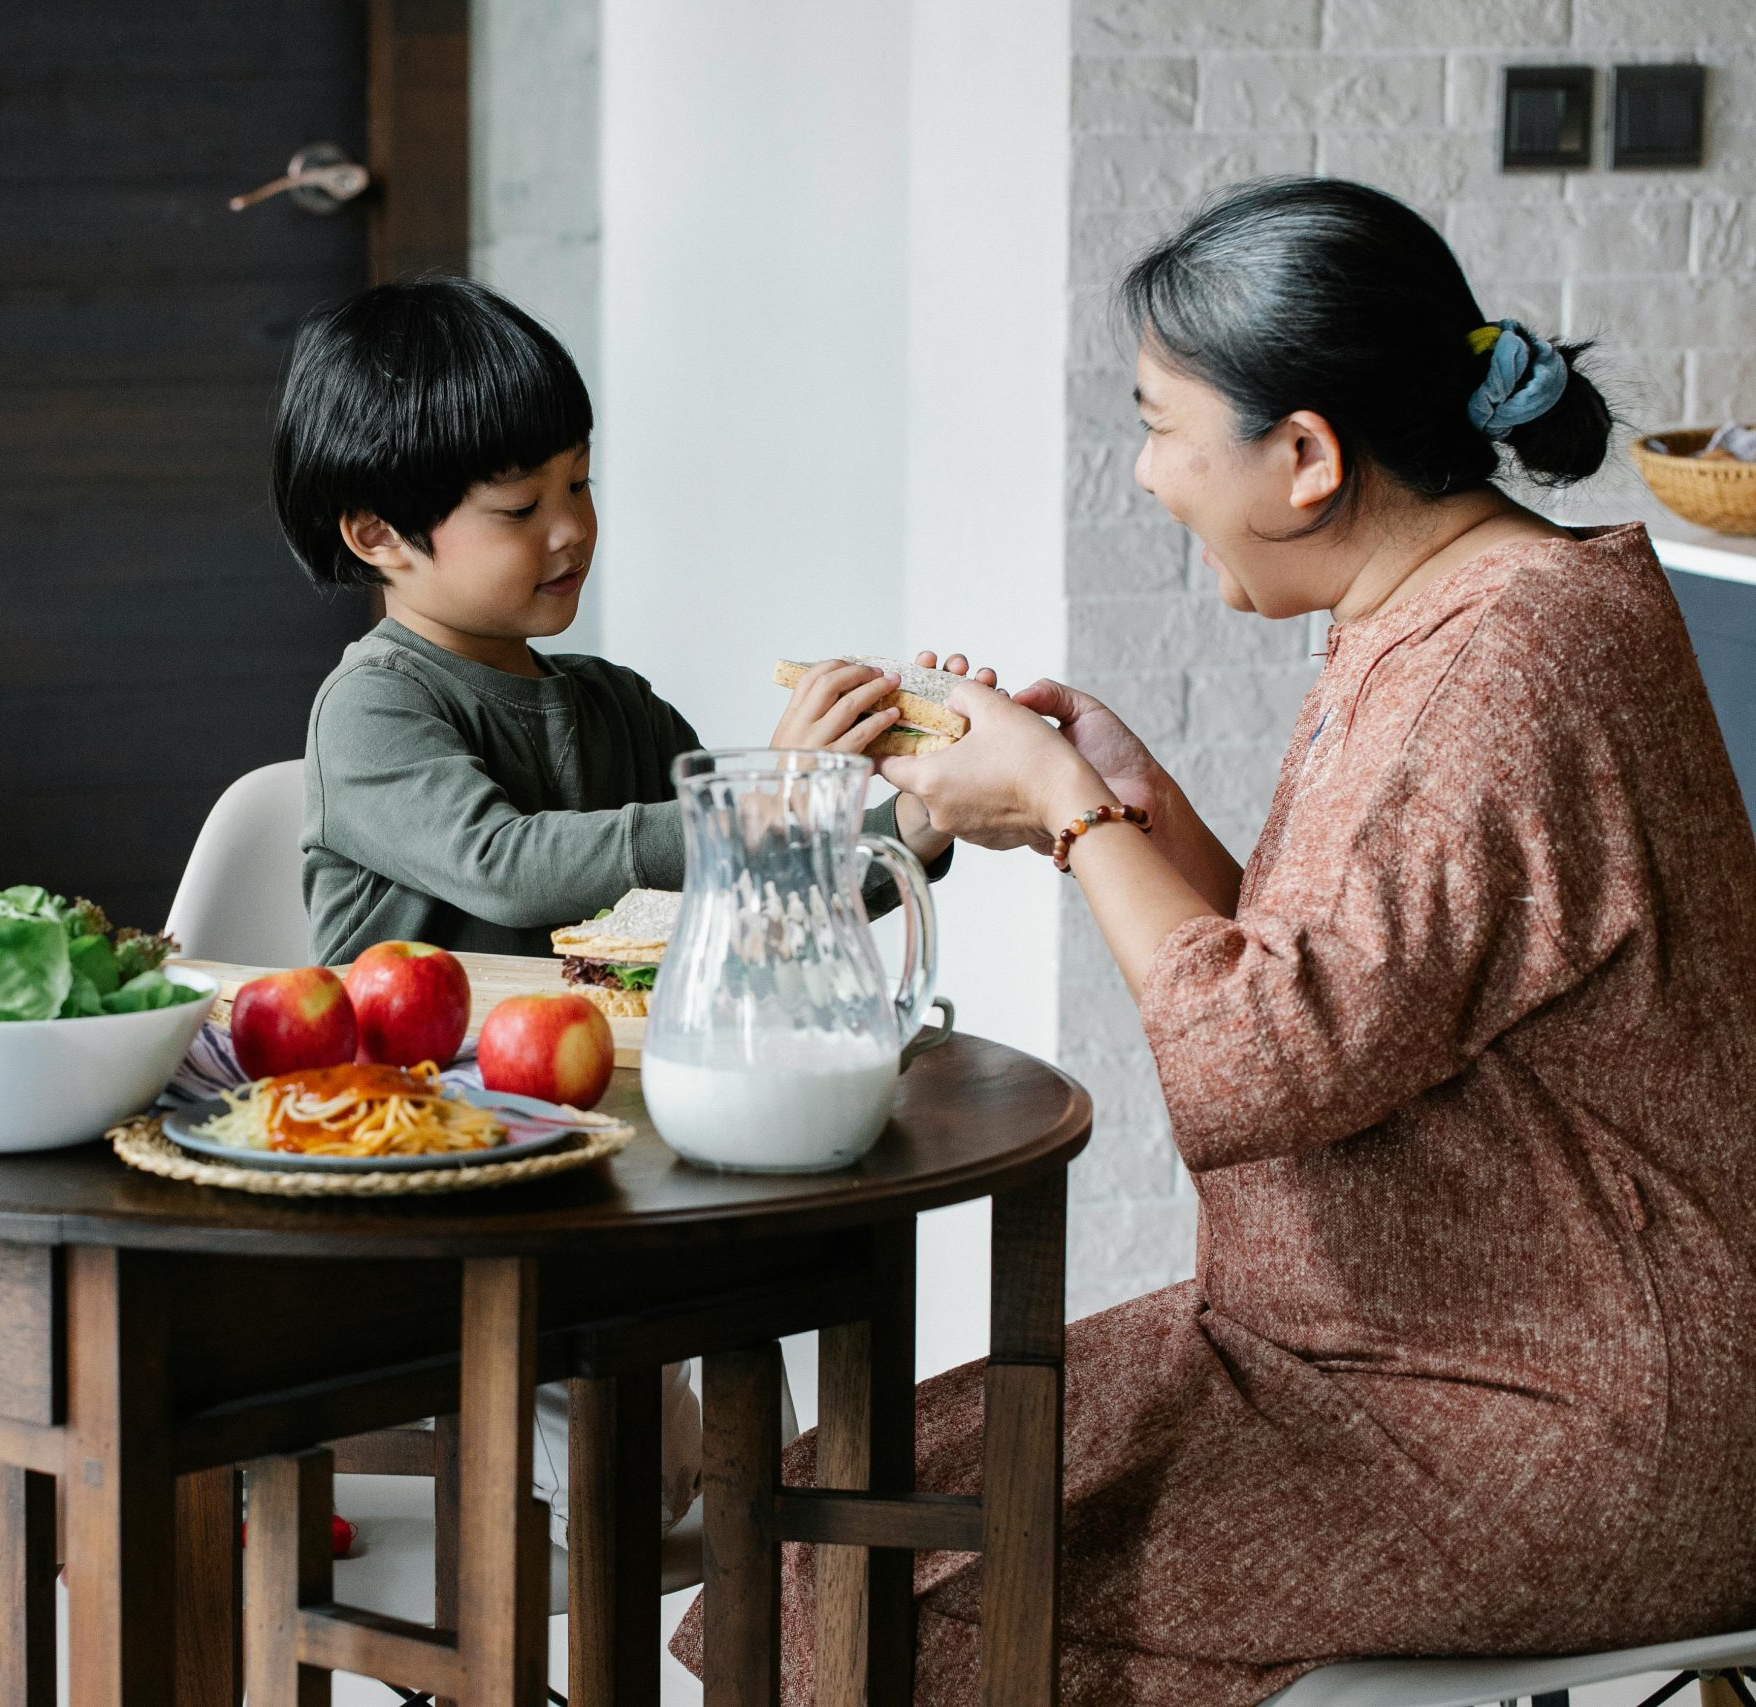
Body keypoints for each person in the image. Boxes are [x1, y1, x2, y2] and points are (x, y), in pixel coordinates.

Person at [676, 175, 1756, 1702]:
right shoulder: (1462, 606)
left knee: (908, 1579)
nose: (1144, 471)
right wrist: (1136, 801)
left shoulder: (1498, 662)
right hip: (1425, 1349)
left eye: (1163, 424)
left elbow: (1259, 1067)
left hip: (1554, 1406)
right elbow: (1373, 990)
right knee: (822, 1505)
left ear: (1306, 456)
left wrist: (1069, 812)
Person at [275, 274, 957, 967]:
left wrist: (919, 819)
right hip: (419, 1075)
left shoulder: (624, 708)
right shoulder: (370, 705)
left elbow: (751, 888)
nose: (570, 528)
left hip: (611, 1072)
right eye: (520, 508)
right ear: (377, 533)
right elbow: (506, 867)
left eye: (579, 483)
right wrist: (765, 799)